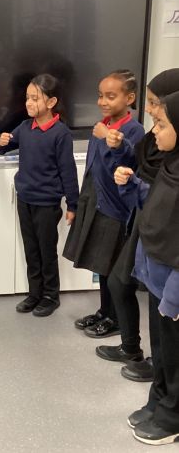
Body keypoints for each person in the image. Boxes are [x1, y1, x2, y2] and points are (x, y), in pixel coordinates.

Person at [95, 69, 179, 381]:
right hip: (144, 218)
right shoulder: (156, 139)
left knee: (162, 307)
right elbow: (141, 166)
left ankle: (160, 369)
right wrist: (122, 153)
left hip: (161, 233)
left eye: (156, 103)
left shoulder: (171, 148)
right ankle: (140, 353)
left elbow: (164, 192)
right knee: (126, 285)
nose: (151, 111)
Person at [115, 91, 179, 446]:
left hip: (174, 288)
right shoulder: (171, 165)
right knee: (162, 350)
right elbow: (155, 207)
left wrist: (174, 296)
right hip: (158, 280)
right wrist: (133, 186)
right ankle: (159, 399)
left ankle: (173, 415)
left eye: (162, 124)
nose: (154, 131)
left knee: (176, 355)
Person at [63, 70, 145, 338]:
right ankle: (104, 310)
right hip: (95, 203)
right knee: (100, 264)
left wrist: (107, 137)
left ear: (129, 98)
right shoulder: (102, 125)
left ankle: (115, 318)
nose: (102, 102)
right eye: (100, 96)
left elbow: (125, 167)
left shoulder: (133, 130)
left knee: (112, 268)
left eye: (111, 96)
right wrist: (81, 202)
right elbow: (93, 167)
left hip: (115, 209)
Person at [0, 73, 79, 317]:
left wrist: (73, 204)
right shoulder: (25, 127)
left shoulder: (60, 133)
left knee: (46, 251)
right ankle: (35, 293)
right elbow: (2, 148)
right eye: (27, 98)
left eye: (35, 98)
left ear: (51, 102)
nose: (29, 103)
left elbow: (68, 171)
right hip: (25, 200)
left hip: (47, 204)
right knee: (31, 250)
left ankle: (51, 296)